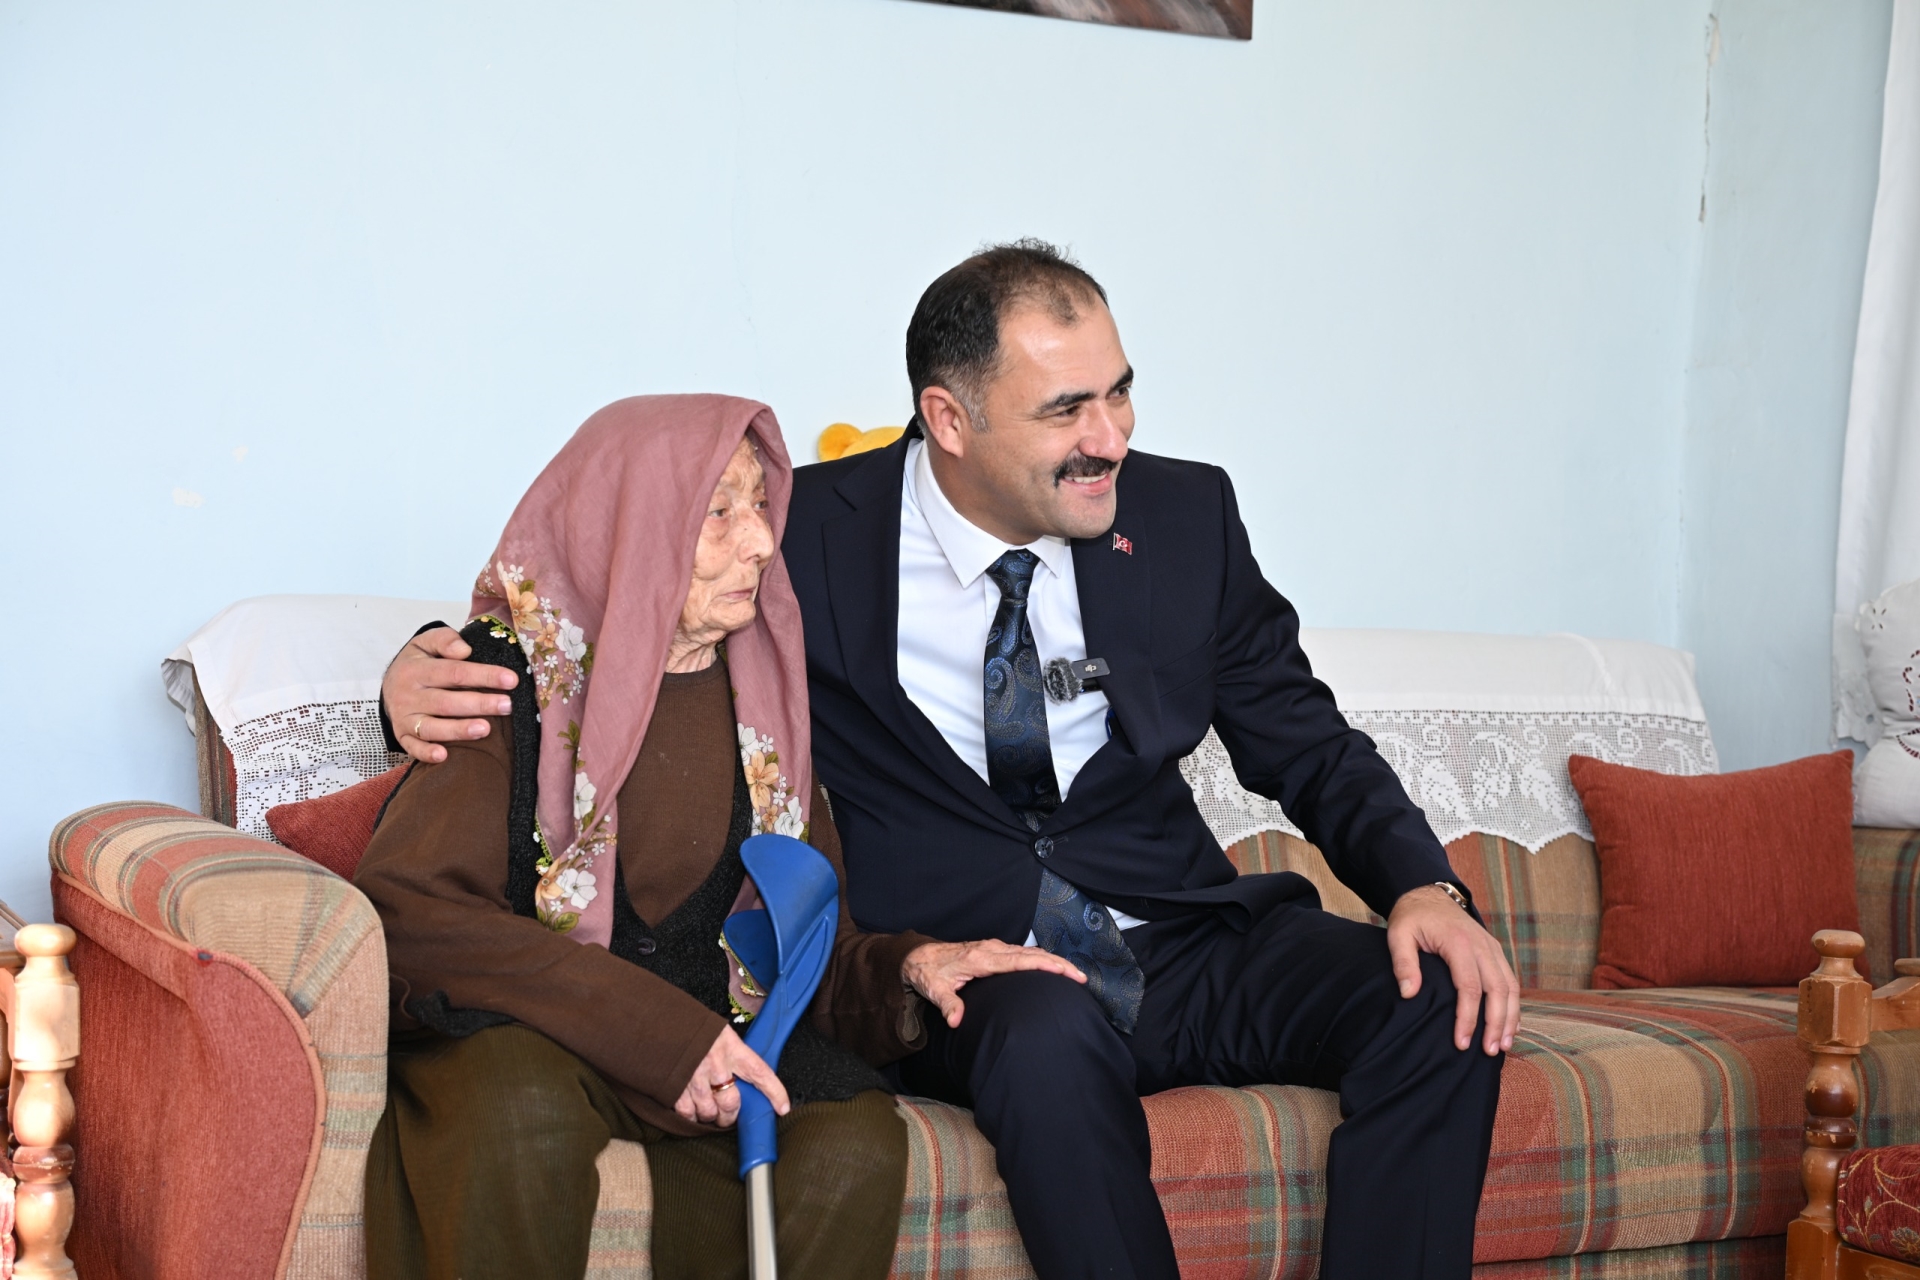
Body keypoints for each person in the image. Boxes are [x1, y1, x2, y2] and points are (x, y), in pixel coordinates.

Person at [382, 244, 1521, 1280]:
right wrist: (417, 671)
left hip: (1186, 936)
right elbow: (606, 604)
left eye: (1119, 392)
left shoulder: (1185, 516)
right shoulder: (803, 534)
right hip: (973, 970)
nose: (1110, 437)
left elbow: (1303, 734)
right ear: (951, 418)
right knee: (1041, 1032)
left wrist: (1423, 885)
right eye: (1066, 408)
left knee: (1441, 999)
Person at [355, 395, 1012, 1280]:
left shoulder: (771, 693)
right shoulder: (504, 674)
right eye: (719, 512)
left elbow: (806, 949)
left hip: (717, 1043)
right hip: (533, 1031)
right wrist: (661, 1037)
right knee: (517, 1107)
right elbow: (411, 909)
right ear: (632, 525)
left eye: (761, 504)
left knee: (850, 1138)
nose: (762, 542)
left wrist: (909, 968)